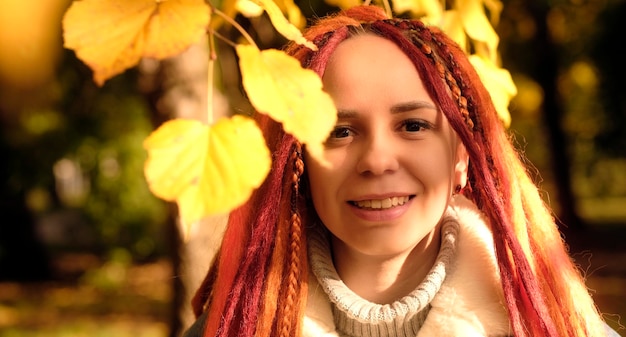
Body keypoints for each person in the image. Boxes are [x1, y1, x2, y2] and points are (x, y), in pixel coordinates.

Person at [184, 5, 621, 337]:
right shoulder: (229, 324)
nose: (377, 160)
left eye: (413, 125)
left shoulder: (558, 322)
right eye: (339, 131)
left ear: (461, 157)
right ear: (297, 164)